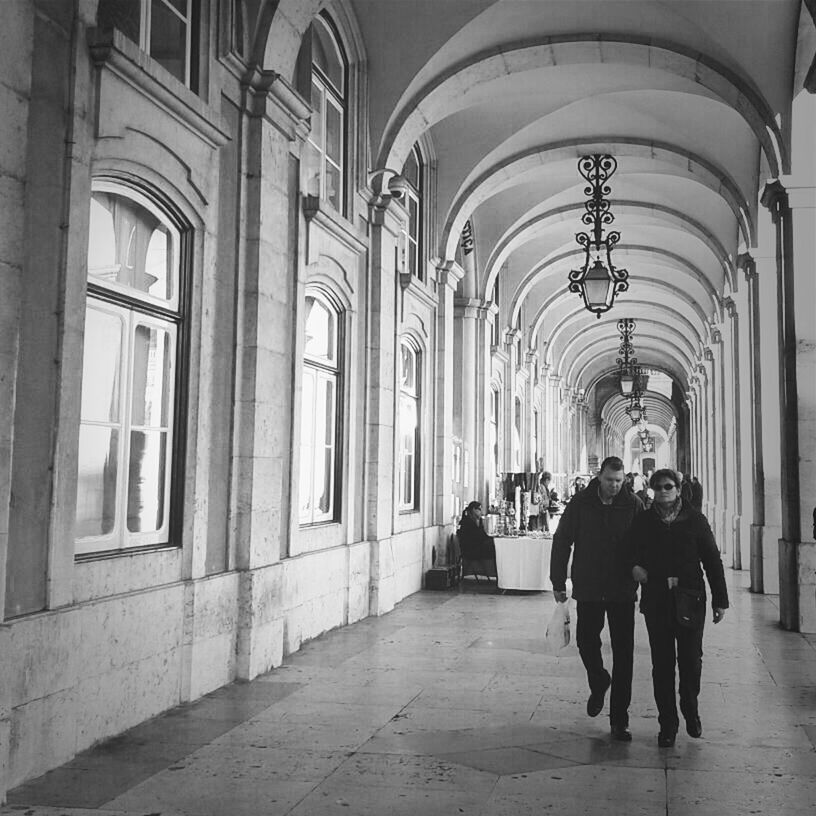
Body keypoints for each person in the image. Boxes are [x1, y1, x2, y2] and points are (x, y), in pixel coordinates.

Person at [629, 468, 728, 748]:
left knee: (691, 661)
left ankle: (690, 708)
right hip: (658, 600)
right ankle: (667, 724)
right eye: (657, 487)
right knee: (661, 665)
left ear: (678, 487)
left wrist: (720, 599)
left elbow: (712, 559)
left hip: (691, 599)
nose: (663, 491)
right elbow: (630, 550)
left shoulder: (695, 519)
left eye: (668, 486)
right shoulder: (645, 520)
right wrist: (635, 566)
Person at [550, 456, 644, 741]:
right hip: (589, 585)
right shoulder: (581, 503)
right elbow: (562, 539)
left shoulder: (634, 505)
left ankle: (620, 720)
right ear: (599, 477)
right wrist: (558, 580)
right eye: (609, 480)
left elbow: (644, 542)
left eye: (619, 481)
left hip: (621, 588)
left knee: (624, 653)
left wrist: (641, 571)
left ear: (624, 479)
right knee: (586, 641)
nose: (615, 486)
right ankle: (599, 679)